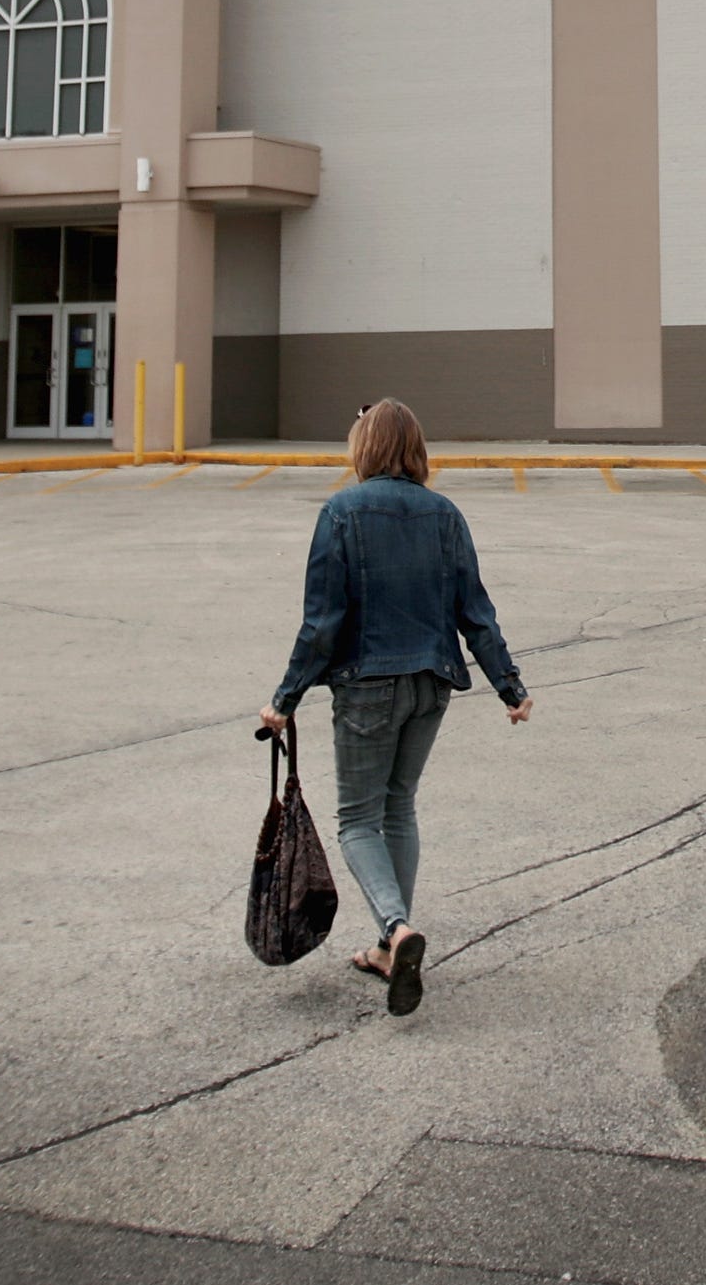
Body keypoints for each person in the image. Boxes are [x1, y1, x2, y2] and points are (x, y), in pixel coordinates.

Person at [259, 398, 532, 1017]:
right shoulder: (445, 514)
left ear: (365, 448)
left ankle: (396, 927)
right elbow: (475, 613)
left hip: (366, 688)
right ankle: (390, 947)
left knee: (358, 820)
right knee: (399, 806)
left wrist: (284, 700)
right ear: (415, 448)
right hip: (431, 687)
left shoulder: (342, 512)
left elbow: (322, 622)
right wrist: (510, 687)